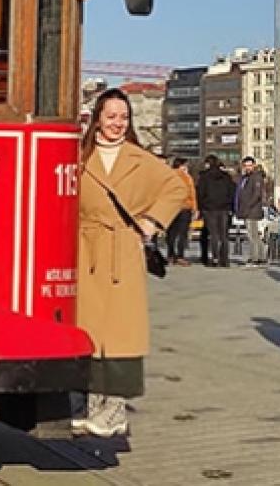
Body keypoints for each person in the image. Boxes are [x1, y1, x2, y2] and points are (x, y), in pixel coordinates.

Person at [73, 89, 187, 438]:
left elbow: (176, 188)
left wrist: (151, 223)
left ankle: (116, 410)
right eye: (111, 116)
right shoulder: (79, 156)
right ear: (97, 119)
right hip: (85, 247)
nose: (117, 124)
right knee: (88, 330)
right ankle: (92, 404)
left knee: (121, 333)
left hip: (122, 249)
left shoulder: (140, 158)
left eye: (123, 117)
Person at [196, 155, 236, 268]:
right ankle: (225, 259)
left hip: (209, 209)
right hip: (224, 208)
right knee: (224, 235)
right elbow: (232, 191)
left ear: (208, 163)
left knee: (213, 234)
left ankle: (215, 258)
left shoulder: (204, 177)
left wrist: (201, 207)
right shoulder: (226, 176)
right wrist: (230, 206)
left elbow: (200, 193)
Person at [235, 156, 269, 265]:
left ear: (254, 165)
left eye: (250, 165)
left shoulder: (256, 177)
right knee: (254, 235)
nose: (248, 168)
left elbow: (257, 194)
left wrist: (247, 205)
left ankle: (255, 257)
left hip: (252, 210)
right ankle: (261, 256)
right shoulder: (244, 178)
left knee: (252, 235)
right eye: (246, 166)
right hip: (246, 210)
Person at [164, 158, 197, 266]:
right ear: (182, 166)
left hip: (171, 207)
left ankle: (170, 255)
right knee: (182, 233)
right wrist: (195, 208)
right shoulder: (186, 178)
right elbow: (192, 193)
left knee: (171, 233)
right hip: (185, 208)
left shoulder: (168, 176)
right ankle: (180, 256)